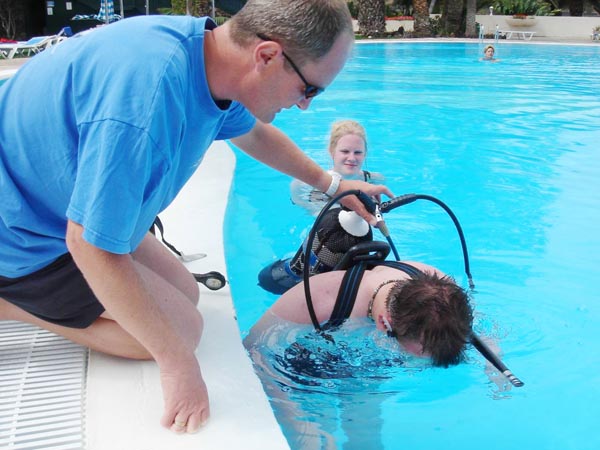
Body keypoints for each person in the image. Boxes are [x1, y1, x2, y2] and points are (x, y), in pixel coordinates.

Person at [0, 0, 392, 435]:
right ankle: (9, 306)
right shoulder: (143, 107)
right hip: (24, 236)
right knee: (181, 332)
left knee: (185, 292)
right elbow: (88, 244)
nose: (305, 106)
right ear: (266, 56)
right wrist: (176, 364)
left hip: (47, 196)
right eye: (310, 89)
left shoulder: (202, 55)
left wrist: (333, 184)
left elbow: (252, 132)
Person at [248, 259, 474, 367]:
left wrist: (491, 364)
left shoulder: (441, 286)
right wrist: (295, 418)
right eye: (422, 352)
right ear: (384, 324)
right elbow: (253, 348)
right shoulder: (317, 297)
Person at [290, 119, 385, 215]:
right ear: (332, 151)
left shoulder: (374, 180)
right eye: (345, 151)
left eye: (357, 152)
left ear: (365, 154)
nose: (352, 158)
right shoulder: (305, 185)